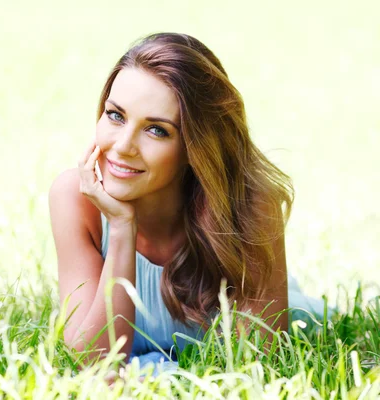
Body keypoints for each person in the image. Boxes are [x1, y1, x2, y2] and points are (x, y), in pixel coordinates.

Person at [48, 32, 328, 378]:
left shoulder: (250, 205)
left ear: (195, 148)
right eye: (116, 116)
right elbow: (93, 361)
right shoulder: (75, 198)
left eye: (157, 130)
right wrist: (121, 228)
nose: (122, 147)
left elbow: (259, 362)